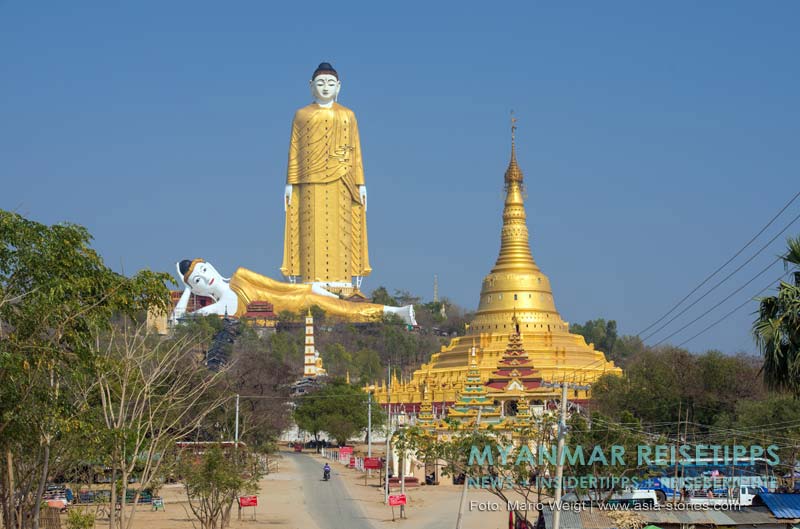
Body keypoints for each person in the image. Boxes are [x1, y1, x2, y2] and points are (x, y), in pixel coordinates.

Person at [281, 62, 371, 290]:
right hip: (309, 181)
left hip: (343, 180)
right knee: (311, 233)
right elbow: (294, 150)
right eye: (320, 83)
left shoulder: (347, 115)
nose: (325, 87)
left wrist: (361, 183)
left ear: (339, 87)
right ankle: (312, 282)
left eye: (331, 83)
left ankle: (342, 282)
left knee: (342, 231)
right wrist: (290, 182)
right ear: (311, 86)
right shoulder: (301, 115)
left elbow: (356, 150)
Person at [171, 259, 415, 325]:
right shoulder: (221, 305)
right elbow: (179, 320)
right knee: (347, 312)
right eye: (198, 279)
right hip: (295, 310)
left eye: (203, 269)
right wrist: (186, 290)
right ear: (196, 287)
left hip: (298, 298)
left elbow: (278, 286)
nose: (206, 276)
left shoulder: (241, 274)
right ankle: (395, 313)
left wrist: (309, 287)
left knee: (346, 308)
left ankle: (396, 312)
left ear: (210, 264)